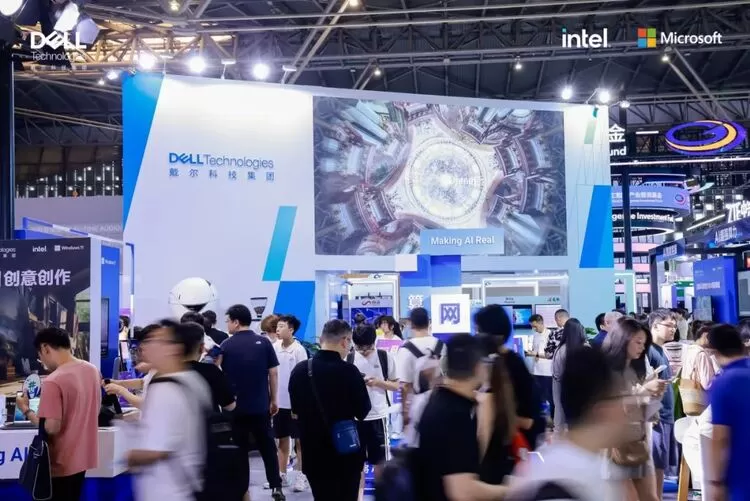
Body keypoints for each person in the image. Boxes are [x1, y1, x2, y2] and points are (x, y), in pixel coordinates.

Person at [506, 347, 627, 501]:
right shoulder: (567, 479)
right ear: (602, 409)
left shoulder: (570, 466)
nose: (627, 411)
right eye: (621, 399)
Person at [125, 320, 212, 501]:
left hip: (165, 491)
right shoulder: (192, 379)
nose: (145, 346)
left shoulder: (164, 389)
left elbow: (156, 451)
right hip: (189, 486)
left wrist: (129, 456)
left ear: (174, 349)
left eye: (155, 340)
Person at [415, 333, 507, 501]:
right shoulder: (455, 414)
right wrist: (512, 490)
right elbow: (462, 491)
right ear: (479, 367)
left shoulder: (441, 400)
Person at [288, 319, 371, 501]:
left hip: (313, 453)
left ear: (322, 339)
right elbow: (363, 411)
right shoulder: (350, 371)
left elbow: (295, 410)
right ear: (345, 341)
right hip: (345, 451)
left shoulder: (300, 371)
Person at [16, 327, 101, 501]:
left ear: (45, 348)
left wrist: (25, 409)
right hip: (83, 459)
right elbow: (96, 409)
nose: (41, 361)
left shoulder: (54, 380)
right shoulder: (92, 370)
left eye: (40, 355)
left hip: (59, 464)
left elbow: (51, 427)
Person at [219, 304, 285, 501]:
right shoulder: (264, 343)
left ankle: (242, 490)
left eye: (228, 321)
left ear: (236, 322)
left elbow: (217, 373)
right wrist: (274, 400)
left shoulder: (226, 345)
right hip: (261, 406)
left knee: (240, 451)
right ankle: (276, 486)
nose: (227, 324)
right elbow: (273, 373)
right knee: (268, 447)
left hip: (235, 409)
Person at [601, 317, 665, 501]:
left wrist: (653, 396)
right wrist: (644, 391)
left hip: (637, 442)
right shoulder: (605, 371)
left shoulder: (635, 369)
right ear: (622, 340)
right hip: (614, 446)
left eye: (644, 344)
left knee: (650, 496)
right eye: (638, 342)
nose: (642, 347)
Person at [475, 304, 544, 450]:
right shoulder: (480, 362)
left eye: (479, 330)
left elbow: (529, 419)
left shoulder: (513, 364)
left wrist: (493, 414)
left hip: (508, 445)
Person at [349, 323, 399, 495]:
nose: (363, 351)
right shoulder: (348, 358)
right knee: (356, 465)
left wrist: (378, 382)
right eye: (359, 347)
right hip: (355, 419)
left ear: (374, 341)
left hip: (379, 416)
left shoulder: (384, 357)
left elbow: (396, 385)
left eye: (367, 347)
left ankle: (382, 496)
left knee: (380, 463)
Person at [706, 324, 750, 501]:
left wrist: (715, 481)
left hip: (742, 474)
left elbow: (720, 437)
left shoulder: (723, 383)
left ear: (714, 351)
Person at [271, 314, 309, 492]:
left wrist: (300, 403)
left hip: (296, 405)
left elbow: (304, 378)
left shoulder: (299, 350)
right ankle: (281, 474)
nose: (278, 330)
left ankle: (302, 475)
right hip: (279, 403)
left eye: (281, 326)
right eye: (277, 326)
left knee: (300, 441)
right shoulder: (274, 347)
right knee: (281, 440)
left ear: (291, 329)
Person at [646, 309, 679, 498]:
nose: (673, 329)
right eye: (669, 325)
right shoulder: (649, 351)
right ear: (655, 326)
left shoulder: (660, 350)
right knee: (655, 463)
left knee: (660, 464)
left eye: (674, 326)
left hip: (664, 414)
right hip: (656, 417)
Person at [395, 307, 445, 428]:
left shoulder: (405, 350)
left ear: (410, 324)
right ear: (428, 323)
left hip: (418, 407)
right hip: (442, 403)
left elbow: (405, 386)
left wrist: (404, 413)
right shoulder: (442, 346)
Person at [477, 347, 516, 486]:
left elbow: (483, 436)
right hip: (499, 465)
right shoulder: (504, 397)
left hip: (487, 469)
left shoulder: (486, 399)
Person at [104, 323, 161, 409]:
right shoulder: (155, 369)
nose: (141, 353)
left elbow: (146, 405)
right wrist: (117, 383)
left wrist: (121, 390)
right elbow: (143, 382)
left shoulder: (165, 372)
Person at [552, 318, 587, 431]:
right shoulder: (586, 348)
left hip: (563, 388)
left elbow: (556, 373)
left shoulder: (560, 350)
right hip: (583, 390)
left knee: (560, 411)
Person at [680, 322, 716, 415]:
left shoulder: (689, 350)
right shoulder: (701, 354)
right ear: (705, 335)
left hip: (689, 400)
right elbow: (707, 383)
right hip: (702, 405)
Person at [527, 314, 553, 419]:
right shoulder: (535, 335)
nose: (534, 329)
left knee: (549, 397)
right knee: (539, 396)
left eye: (535, 326)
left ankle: (552, 418)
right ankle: (541, 418)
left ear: (541, 323)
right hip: (536, 370)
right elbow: (535, 350)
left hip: (547, 371)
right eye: (532, 327)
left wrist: (536, 354)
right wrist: (531, 353)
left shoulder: (550, 335)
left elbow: (550, 354)